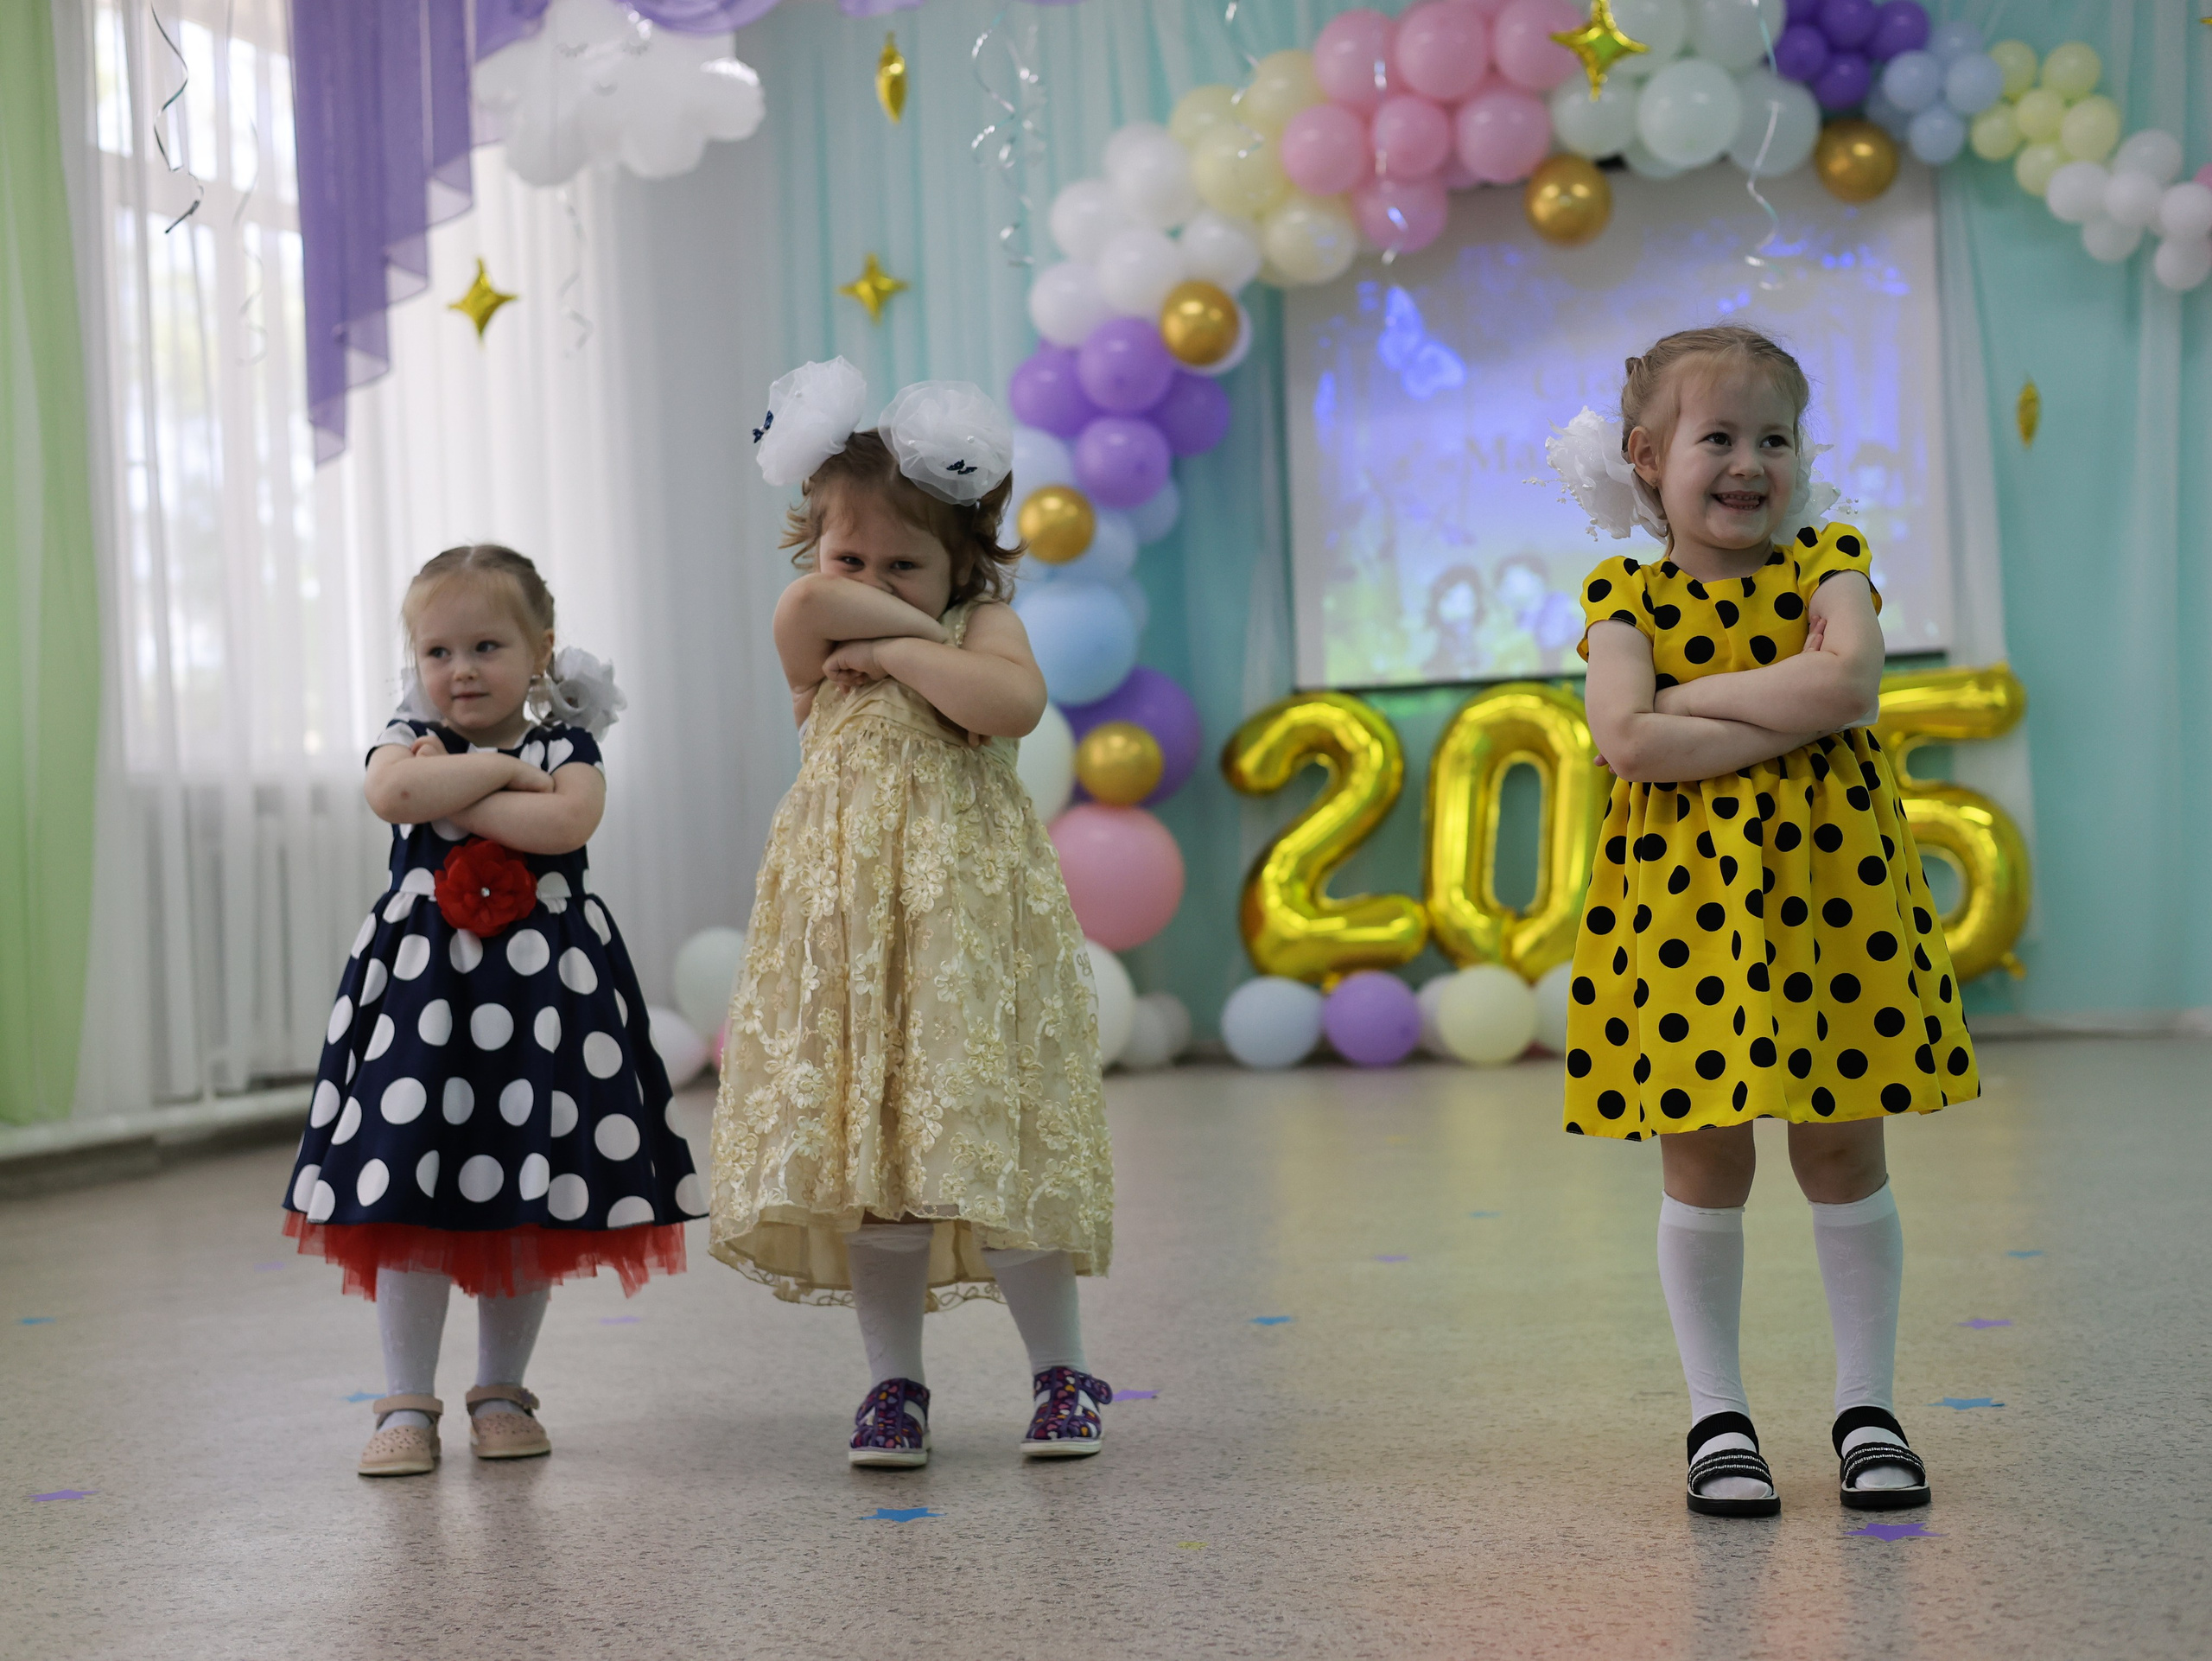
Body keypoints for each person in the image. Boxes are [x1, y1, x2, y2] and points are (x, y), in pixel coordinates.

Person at [1552, 325, 1978, 1517]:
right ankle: (1717, 1414)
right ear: (1646, 456)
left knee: (1844, 1147)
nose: (1749, 463)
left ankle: (1867, 1406)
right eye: (1718, 437)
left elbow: (1850, 682)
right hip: (1688, 918)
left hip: (1838, 906)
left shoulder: (1831, 558)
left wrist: (1700, 697)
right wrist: (1783, 705)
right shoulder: (1623, 595)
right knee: (1708, 1154)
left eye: (1774, 438)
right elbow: (1627, 738)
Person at [711, 361, 1115, 1469]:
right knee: (875, 1166)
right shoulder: (813, 615)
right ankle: (893, 1386)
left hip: (965, 927)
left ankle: (1060, 1372)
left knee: (995, 1139)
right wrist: (889, 616)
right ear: (816, 545)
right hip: (854, 930)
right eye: (853, 556)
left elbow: (1009, 705)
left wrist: (893, 648)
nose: (872, 578)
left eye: (906, 561)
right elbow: (805, 607)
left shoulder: (982, 626)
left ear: (962, 562)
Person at [282, 544, 703, 1477]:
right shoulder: (408, 738)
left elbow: (565, 825)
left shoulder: (565, 747)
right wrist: (509, 780)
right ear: (414, 663)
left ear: (539, 650)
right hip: (426, 1000)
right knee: (410, 1182)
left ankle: (503, 1388)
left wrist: (467, 783)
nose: (460, 669)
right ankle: (404, 1400)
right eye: (437, 652)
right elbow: (390, 792)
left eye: (485, 645)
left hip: (542, 998)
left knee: (527, 1187)